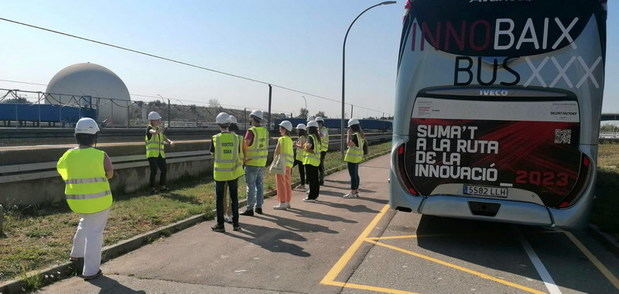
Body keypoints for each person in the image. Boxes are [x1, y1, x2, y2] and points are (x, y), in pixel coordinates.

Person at [56, 118, 113, 280]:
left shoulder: (67, 155)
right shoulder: (101, 155)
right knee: (94, 233)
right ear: (94, 137)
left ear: (77, 136)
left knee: (84, 222)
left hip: (77, 201)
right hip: (99, 201)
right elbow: (110, 173)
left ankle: (76, 254)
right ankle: (91, 271)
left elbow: (62, 171)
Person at [210, 112, 243, 232]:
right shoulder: (236, 138)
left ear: (218, 124)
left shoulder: (215, 138)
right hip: (233, 173)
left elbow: (212, 154)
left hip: (219, 175)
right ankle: (236, 225)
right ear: (229, 124)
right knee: (234, 199)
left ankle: (220, 225)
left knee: (219, 200)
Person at [241, 110, 269, 216]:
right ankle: (259, 207)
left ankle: (249, 209)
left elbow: (245, 144)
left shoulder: (251, 131)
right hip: (262, 162)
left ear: (253, 118)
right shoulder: (265, 131)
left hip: (251, 162)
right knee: (260, 185)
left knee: (251, 186)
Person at [145, 111, 174, 194]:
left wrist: (170, 142)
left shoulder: (158, 130)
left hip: (160, 154)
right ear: (152, 120)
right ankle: (152, 188)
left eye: (159, 120)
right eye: (157, 120)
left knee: (164, 170)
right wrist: (161, 129)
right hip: (152, 155)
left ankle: (162, 186)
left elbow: (164, 138)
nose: (159, 121)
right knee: (154, 171)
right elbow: (153, 132)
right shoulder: (149, 128)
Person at [222, 115, 241, 224]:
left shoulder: (222, 137)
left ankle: (225, 213)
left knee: (224, 193)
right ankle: (231, 213)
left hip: (224, 170)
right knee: (233, 194)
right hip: (236, 169)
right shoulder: (239, 138)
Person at [273, 120, 294, 210]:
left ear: (285, 130)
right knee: (287, 183)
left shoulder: (281, 139)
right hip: (289, 164)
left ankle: (282, 202)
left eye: (281, 128)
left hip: (281, 163)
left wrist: (274, 161)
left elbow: (276, 151)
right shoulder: (290, 140)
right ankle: (287, 202)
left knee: (280, 184)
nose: (279, 129)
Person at [343, 119, 366, 198]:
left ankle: (353, 192)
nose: (349, 129)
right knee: (355, 174)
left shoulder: (355, 135)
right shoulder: (360, 134)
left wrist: (348, 135)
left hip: (352, 158)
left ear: (352, 127)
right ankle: (355, 191)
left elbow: (349, 144)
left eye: (350, 128)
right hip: (357, 157)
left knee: (353, 175)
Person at [303, 120, 322, 202]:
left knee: (311, 180)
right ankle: (315, 195)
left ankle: (311, 197)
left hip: (310, 161)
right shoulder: (317, 138)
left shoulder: (310, 137)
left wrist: (304, 146)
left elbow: (309, 148)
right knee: (315, 180)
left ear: (310, 129)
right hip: (316, 161)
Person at [315, 117, 329, 185]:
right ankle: (320, 176)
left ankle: (321, 180)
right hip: (318, 150)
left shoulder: (324, 129)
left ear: (322, 123)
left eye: (319, 123)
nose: (318, 124)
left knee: (320, 164)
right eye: (317, 123)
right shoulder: (318, 129)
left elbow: (321, 135)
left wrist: (316, 131)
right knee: (318, 163)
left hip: (323, 149)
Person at [293, 123, 307, 191]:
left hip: (300, 157)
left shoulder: (302, 137)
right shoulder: (303, 137)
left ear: (300, 130)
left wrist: (296, 145)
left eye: (298, 130)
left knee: (290, 166)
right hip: (300, 157)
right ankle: (303, 184)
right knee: (301, 171)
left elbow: (301, 146)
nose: (297, 131)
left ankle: (303, 185)